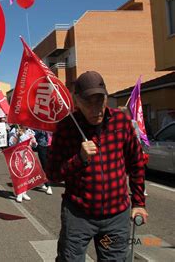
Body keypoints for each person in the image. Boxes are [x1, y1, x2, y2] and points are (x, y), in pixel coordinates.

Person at [46, 71, 147, 262]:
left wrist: (139, 203)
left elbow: (136, 163)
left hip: (116, 216)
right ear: (77, 101)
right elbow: (52, 174)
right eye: (88, 103)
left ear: (106, 98)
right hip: (79, 215)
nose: (95, 110)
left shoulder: (121, 122)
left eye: (99, 102)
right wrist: (79, 158)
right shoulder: (67, 128)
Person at [15, 126, 35, 203]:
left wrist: (33, 141)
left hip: (28, 155)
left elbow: (32, 144)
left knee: (27, 174)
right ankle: (19, 193)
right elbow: (12, 143)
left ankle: (24, 192)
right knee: (21, 174)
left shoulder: (30, 132)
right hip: (19, 155)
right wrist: (18, 136)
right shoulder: (16, 132)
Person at [33, 129, 53, 195]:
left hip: (51, 146)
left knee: (50, 165)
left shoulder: (52, 125)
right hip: (42, 146)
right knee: (45, 165)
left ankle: (45, 182)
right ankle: (48, 185)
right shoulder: (40, 127)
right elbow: (36, 136)